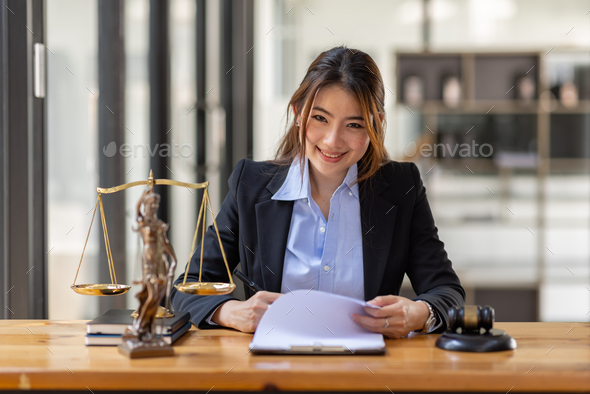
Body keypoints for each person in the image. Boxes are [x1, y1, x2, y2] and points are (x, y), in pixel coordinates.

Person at [171, 46, 464, 339]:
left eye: (354, 124)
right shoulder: (250, 185)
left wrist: (419, 313)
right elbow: (188, 288)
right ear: (298, 114)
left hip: (369, 371)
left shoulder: (402, 188)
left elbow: (447, 292)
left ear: (376, 125)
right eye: (320, 118)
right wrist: (235, 312)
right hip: (270, 373)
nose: (332, 141)